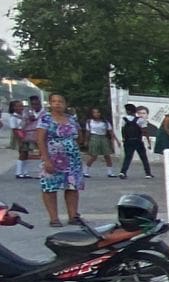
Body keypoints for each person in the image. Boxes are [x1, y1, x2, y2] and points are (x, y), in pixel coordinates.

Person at [34, 93, 85, 227]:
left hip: (72, 158)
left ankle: (73, 216)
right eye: (54, 101)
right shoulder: (45, 119)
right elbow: (40, 140)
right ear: (50, 103)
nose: (57, 104)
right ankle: (54, 218)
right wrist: (46, 160)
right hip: (53, 157)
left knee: (72, 187)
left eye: (60, 101)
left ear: (65, 103)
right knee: (50, 187)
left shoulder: (71, 119)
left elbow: (80, 136)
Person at [118, 103, 153, 179]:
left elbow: (123, 130)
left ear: (128, 111)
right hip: (137, 140)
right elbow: (145, 131)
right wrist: (148, 141)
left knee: (127, 157)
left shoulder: (124, 119)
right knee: (143, 157)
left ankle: (123, 172)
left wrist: (123, 138)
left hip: (128, 141)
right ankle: (148, 173)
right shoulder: (140, 120)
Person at [82, 107, 117, 178]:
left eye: (98, 112)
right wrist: (86, 140)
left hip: (103, 138)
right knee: (93, 156)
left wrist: (114, 141)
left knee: (107, 155)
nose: (96, 114)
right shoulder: (89, 122)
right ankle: (85, 171)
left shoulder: (105, 122)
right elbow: (87, 132)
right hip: (94, 137)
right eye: (94, 112)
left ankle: (110, 172)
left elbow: (111, 132)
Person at [16, 95, 42, 179]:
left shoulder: (44, 112)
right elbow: (22, 124)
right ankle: (20, 172)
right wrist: (27, 119)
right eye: (33, 104)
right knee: (24, 153)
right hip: (27, 135)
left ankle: (41, 172)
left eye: (37, 104)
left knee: (42, 153)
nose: (36, 106)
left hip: (40, 135)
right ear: (31, 104)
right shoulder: (26, 112)